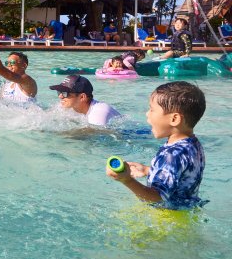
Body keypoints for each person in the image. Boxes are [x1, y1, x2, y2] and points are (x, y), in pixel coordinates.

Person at [106, 81, 206, 210]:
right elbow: (180, 176)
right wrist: (148, 170)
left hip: (167, 217)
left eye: (152, 109)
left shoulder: (171, 154)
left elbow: (157, 196)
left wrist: (126, 180)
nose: (147, 113)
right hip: (186, 211)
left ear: (174, 119)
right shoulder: (193, 145)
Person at [0, 27, 37, 103]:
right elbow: (0, 103)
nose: (9, 66)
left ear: (24, 66)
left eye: (12, 63)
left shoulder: (28, 81)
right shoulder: (6, 86)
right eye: (7, 63)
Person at [49, 74, 121, 127]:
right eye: (59, 92)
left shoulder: (99, 113)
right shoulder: (70, 106)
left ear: (82, 97)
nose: (60, 96)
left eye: (65, 93)